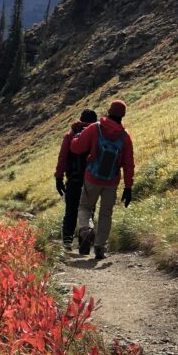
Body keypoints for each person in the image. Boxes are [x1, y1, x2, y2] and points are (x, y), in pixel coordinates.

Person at [69, 99, 134, 260]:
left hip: (92, 177)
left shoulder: (95, 128)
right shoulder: (125, 137)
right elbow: (129, 164)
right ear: (123, 115)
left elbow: (77, 148)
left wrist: (74, 138)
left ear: (108, 111)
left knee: (84, 207)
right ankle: (99, 247)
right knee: (106, 214)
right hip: (112, 181)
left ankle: (86, 229)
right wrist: (128, 187)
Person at [54, 108, 97, 248]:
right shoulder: (97, 135)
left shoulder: (70, 135)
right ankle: (85, 236)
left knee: (71, 210)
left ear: (80, 119)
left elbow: (63, 158)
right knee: (89, 209)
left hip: (74, 179)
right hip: (92, 180)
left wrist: (59, 178)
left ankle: (67, 241)